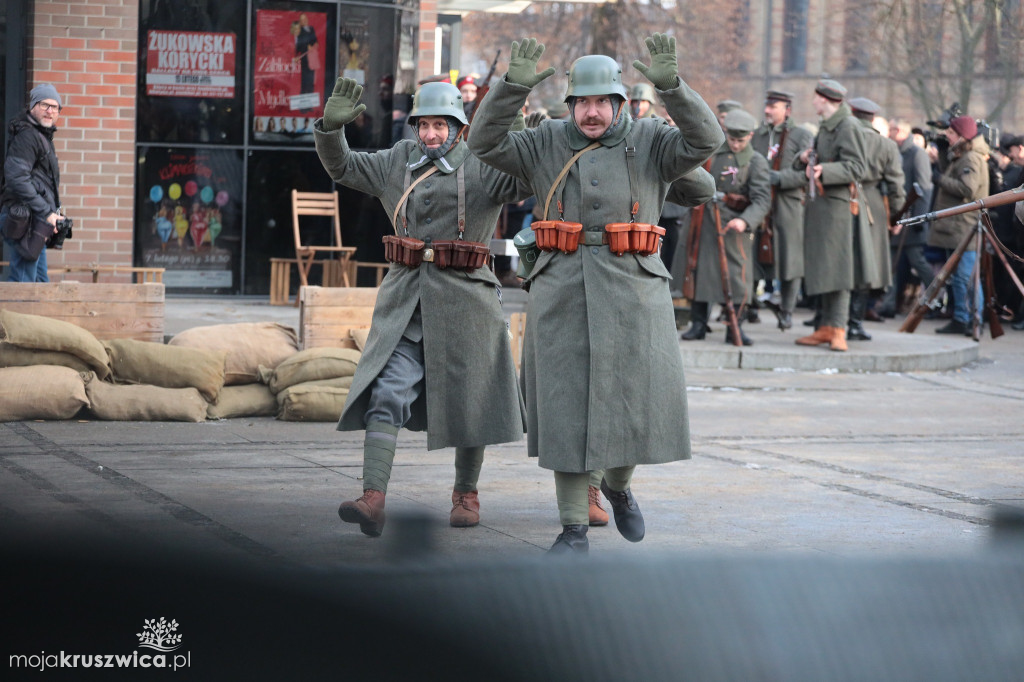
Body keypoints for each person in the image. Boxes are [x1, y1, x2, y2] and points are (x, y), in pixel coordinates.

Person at [468, 35, 723, 554]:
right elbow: (484, 143)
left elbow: (705, 142)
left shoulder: (652, 139)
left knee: (634, 403)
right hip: (561, 287)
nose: (590, 112)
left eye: (600, 101)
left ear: (618, 103)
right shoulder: (545, 142)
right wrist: (511, 87)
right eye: (581, 102)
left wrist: (671, 86)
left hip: (635, 288)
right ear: (570, 105)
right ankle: (572, 528)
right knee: (564, 407)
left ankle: (618, 485)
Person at [313, 78, 528, 537]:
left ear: (459, 127)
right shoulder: (396, 162)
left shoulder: (484, 164)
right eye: (423, 125)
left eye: (440, 125)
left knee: (472, 406)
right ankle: (373, 498)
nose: (430, 135)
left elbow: (525, 178)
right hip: (407, 301)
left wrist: (517, 124)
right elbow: (344, 168)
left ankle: (465, 494)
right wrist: (331, 130)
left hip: (468, 302)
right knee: (386, 393)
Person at [680, 109, 771, 345]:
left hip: (734, 225)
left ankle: (735, 327)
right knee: (699, 271)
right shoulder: (712, 153)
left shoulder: (756, 162)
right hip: (704, 221)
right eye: (732, 139)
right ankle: (698, 323)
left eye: (741, 140)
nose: (736, 145)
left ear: (750, 136)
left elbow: (762, 199)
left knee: (737, 278)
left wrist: (745, 220)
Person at [793, 78, 867, 352]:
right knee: (823, 268)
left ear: (824, 99)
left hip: (837, 209)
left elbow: (858, 167)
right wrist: (805, 158)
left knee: (838, 270)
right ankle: (825, 327)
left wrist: (826, 171)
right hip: (822, 206)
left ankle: (838, 329)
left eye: (815, 98)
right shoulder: (827, 126)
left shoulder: (848, 126)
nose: (813, 102)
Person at [751, 89, 814, 330]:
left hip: (788, 206)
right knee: (754, 255)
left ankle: (787, 310)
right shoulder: (757, 135)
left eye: (773, 106)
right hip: (759, 204)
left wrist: (779, 178)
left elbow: (808, 175)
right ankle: (750, 306)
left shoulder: (801, 136)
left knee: (790, 260)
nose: (767, 110)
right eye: (767, 105)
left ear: (787, 110)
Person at [845, 99, 905, 341]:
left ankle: (831, 321)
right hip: (873, 207)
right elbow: (896, 186)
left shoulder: (844, 135)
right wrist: (897, 216)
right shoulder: (886, 145)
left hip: (843, 200)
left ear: (852, 113)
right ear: (872, 118)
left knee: (843, 263)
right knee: (865, 267)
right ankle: (855, 324)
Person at [927, 115, 989, 335]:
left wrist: (938, 178)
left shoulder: (971, 158)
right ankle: (962, 317)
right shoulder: (963, 155)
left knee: (966, 277)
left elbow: (967, 190)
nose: (948, 137)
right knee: (960, 277)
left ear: (963, 136)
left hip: (965, 227)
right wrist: (942, 156)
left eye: (951, 134)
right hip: (958, 227)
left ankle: (973, 318)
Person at [0, 84, 64, 282]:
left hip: (35, 222)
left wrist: (53, 213)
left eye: (55, 107)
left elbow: (41, 183)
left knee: (38, 282)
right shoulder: (28, 136)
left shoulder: (41, 136)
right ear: (33, 106)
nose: (50, 111)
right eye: (45, 105)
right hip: (23, 220)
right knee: (24, 285)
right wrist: (46, 212)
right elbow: (17, 178)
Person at [879, 117, 934, 318]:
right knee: (891, 264)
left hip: (912, 220)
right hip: (897, 218)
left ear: (901, 131)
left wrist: (919, 219)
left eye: (892, 129)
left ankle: (934, 299)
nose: (890, 133)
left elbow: (925, 188)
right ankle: (888, 303)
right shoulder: (895, 152)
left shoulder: (917, 154)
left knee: (918, 263)